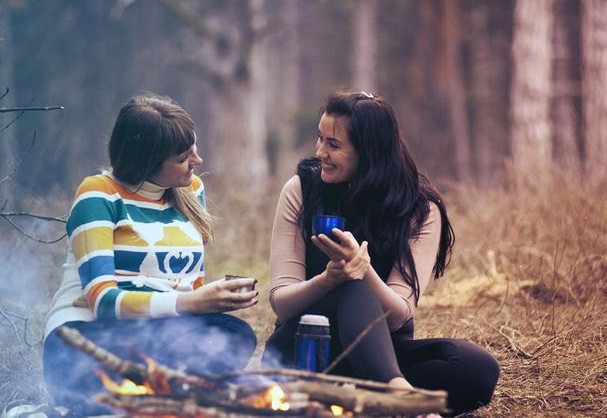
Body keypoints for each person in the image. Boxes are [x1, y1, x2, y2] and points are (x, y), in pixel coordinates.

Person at [261, 91, 499, 415]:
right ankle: (401, 399)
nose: (321, 152)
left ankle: (375, 399)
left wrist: (364, 269)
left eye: (334, 144)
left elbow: (400, 313)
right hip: (304, 351)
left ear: (368, 152)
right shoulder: (301, 190)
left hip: (381, 353)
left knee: (476, 367)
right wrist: (328, 281)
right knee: (349, 288)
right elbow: (283, 303)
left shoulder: (420, 209)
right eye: (320, 139)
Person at [43, 94, 258, 415]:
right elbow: (102, 302)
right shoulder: (99, 194)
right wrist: (189, 303)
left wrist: (210, 300)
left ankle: (142, 400)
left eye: (194, 148)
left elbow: (188, 284)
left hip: (156, 336)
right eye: (184, 156)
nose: (197, 160)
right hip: (84, 340)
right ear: (146, 161)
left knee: (234, 333)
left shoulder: (191, 190)